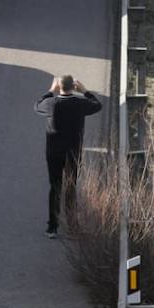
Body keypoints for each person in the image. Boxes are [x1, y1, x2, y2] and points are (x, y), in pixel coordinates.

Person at [35, 75, 102, 237]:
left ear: (60, 86)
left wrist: (51, 91)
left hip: (53, 153)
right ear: (73, 86)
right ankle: (72, 226)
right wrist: (85, 91)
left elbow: (37, 106)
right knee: (71, 187)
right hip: (73, 152)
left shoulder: (51, 104)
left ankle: (52, 227)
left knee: (55, 187)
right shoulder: (81, 104)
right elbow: (97, 105)